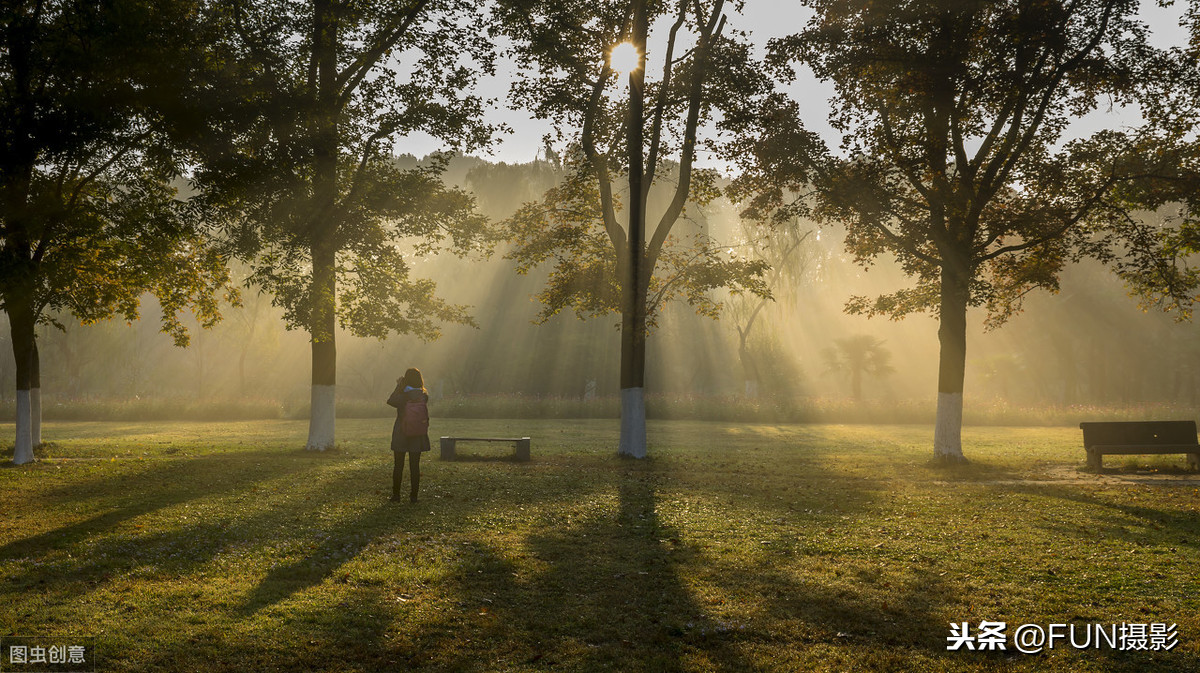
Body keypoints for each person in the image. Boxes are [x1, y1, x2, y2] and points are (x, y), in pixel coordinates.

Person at [386, 368, 431, 503]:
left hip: (401, 432)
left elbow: (390, 400)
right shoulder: (423, 395)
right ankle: (413, 497)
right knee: (414, 466)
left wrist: (399, 385)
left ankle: (396, 496)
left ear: (406, 380)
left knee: (398, 465)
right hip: (417, 433)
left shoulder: (402, 396)